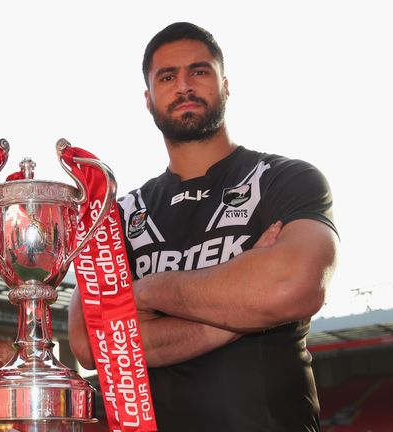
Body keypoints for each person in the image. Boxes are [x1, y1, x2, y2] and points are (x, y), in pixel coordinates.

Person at [68, 22, 338, 431]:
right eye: (167, 76)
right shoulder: (119, 215)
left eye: (199, 71)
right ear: (148, 98)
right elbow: (91, 343)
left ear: (225, 85)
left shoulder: (283, 178)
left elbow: (293, 285)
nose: (184, 86)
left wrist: (146, 293)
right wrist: (244, 309)